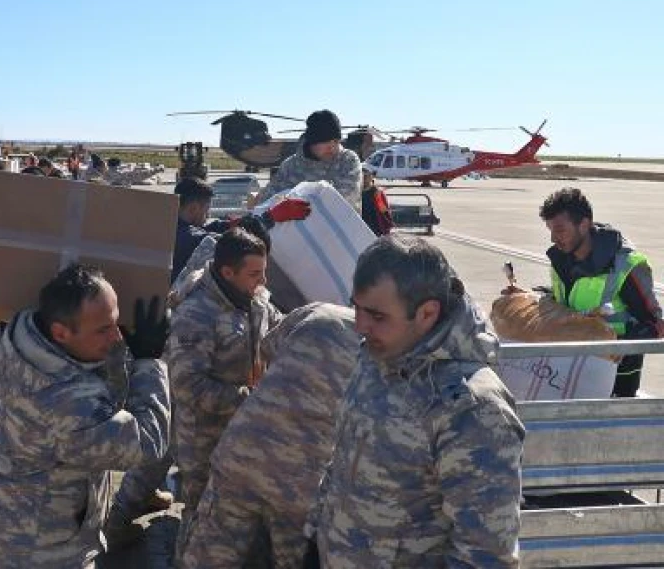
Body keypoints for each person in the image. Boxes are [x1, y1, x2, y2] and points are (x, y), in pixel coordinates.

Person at [312, 235, 525, 567]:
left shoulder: (472, 409)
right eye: (356, 307)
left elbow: (484, 556)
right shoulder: (379, 356)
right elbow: (344, 460)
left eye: (377, 316)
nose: (360, 326)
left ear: (427, 314)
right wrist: (315, 539)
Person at [0, 264, 171, 568]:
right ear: (61, 332)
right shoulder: (68, 406)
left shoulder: (23, 332)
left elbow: (100, 390)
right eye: (103, 329)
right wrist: (149, 362)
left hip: (13, 526)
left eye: (115, 322)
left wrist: (117, 350)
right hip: (43, 552)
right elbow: (149, 443)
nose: (116, 337)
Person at [179, 303, 360, 568]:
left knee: (209, 554)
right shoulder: (387, 349)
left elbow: (266, 350)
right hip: (302, 479)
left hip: (243, 453)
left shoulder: (318, 311)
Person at [164, 228, 283, 558]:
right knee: (201, 511)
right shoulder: (196, 315)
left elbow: (278, 328)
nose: (262, 280)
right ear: (227, 272)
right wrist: (250, 399)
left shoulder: (253, 298)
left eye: (264, 271)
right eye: (254, 273)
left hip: (241, 427)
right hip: (203, 436)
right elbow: (188, 387)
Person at [540, 187, 663, 397]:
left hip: (616, 375)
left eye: (559, 230)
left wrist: (618, 345)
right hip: (567, 368)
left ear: (584, 224)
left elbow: (656, 325)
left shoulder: (625, 265)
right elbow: (567, 301)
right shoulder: (560, 260)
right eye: (550, 230)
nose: (553, 238)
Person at [255, 109, 362, 213]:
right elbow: (267, 201)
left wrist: (302, 205)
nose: (332, 148)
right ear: (312, 142)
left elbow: (346, 199)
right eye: (326, 143)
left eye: (336, 141)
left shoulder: (348, 160)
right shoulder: (290, 166)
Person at [172, 178, 214, 281]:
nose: (208, 216)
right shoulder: (194, 239)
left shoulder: (164, 226)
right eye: (206, 210)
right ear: (194, 208)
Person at [360, 168, 394, 236]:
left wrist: (387, 227)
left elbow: (384, 212)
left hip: (375, 228)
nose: (364, 179)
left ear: (371, 177)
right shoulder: (356, 192)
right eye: (362, 177)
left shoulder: (377, 193)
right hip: (360, 227)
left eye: (366, 177)